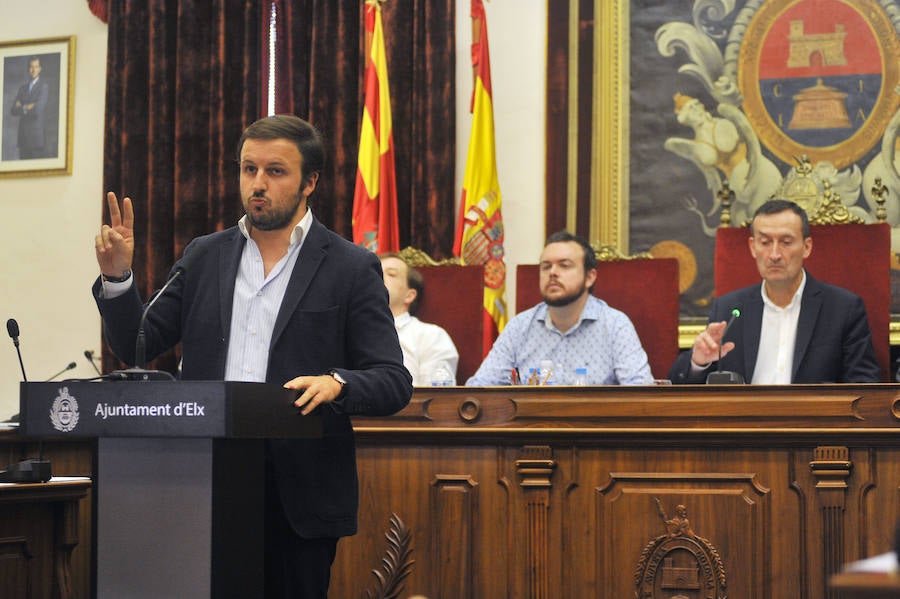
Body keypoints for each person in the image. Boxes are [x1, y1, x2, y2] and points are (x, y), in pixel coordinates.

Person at [92, 115, 413, 597]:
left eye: (275, 171)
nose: (257, 184)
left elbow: (392, 380)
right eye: (248, 169)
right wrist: (118, 278)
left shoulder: (349, 266)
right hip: (203, 481)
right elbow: (138, 342)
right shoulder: (205, 255)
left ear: (310, 181)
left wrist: (337, 383)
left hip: (299, 494)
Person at [669, 199, 880, 384]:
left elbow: (865, 385)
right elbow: (681, 385)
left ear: (807, 247)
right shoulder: (729, 310)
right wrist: (698, 362)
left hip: (814, 426)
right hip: (743, 426)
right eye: (765, 242)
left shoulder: (843, 309)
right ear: (753, 247)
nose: (775, 254)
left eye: (786, 242)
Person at [466, 231, 653, 386]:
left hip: (596, 429)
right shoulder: (520, 327)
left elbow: (641, 395)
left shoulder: (615, 326)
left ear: (590, 277)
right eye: (546, 267)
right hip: (532, 429)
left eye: (564, 265)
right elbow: (480, 389)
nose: (553, 273)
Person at [379, 253, 459, 385]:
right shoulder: (347, 330)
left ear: (409, 296)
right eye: (375, 272)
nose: (379, 277)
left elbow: (436, 399)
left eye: (391, 274)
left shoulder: (431, 336)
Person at [10, 57, 49, 159]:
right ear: (28, 69)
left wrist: (22, 107)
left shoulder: (43, 87)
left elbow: (37, 110)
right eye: (31, 67)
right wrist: (28, 106)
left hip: (36, 139)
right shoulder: (22, 88)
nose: (33, 70)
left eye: (36, 67)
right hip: (23, 138)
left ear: (40, 69)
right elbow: (13, 110)